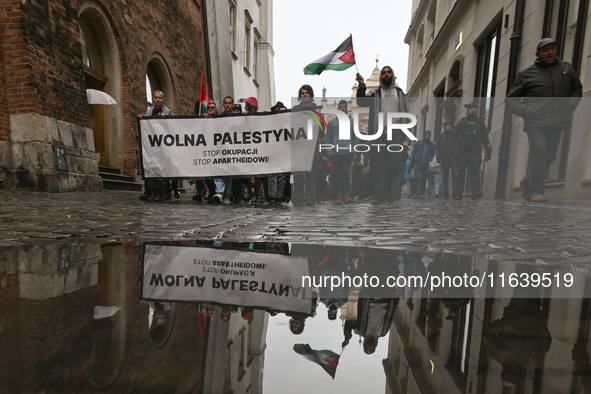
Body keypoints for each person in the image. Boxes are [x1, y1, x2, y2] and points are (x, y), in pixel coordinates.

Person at [506, 38, 583, 202]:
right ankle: (537, 191)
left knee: (550, 157)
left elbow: (577, 89)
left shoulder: (567, 69)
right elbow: (511, 100)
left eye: (553, 48)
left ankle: (527, 182)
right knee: (539, 151)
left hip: (558, 121)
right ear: (537, 54)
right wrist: (525, 111)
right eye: (546, 50)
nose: (550, 52)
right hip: (535, 122)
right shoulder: (526, 74)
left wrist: (569, 106)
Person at [356, 66, 409, 204]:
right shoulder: (375, 93)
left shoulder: (400, 93)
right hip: (378, 131)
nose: (386, 74)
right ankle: (378, 193)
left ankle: (387, 188)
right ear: (381, 76)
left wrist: (408, 132)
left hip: (396, 131)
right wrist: (361, 85)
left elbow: (406, 112)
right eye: (384, 73)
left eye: (388, 72)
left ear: (392, 75)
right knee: (377, 164)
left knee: (395, 162)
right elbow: (361, 101)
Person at [451, 102, 492, 200]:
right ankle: (458, 193)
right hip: (463, 150)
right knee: (461, 172)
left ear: (476, 109)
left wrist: (489, 150)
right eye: (467, 108)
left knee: (474, 170)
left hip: (475, 150)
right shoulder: (462, 122)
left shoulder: (480, 123)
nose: (467, 110)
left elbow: (484, 137)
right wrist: (453, 149)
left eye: (470, 108)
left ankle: (475, 192)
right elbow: (453, 134)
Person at [138, 90, 173, 202]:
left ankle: (160, 193)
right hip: (151, 146)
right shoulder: (149, 111)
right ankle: (150, 192)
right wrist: (142, 119)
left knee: (160, 169)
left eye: (160, 98)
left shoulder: (167, 111)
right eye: (156, 97)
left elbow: (174, 126)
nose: (157, 99)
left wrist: (167, 119)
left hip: (162, 145)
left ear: (163, 99)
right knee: (150, 168)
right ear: (153, 99)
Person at [292, 84, 324, 206]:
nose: (305, 95)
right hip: (298, 144)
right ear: (300, 95)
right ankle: (298, 197)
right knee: (298, 172)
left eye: (307, 93)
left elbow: (320, 124)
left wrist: (321, 137)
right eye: (303, 93)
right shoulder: (295, 109)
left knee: (311, 172)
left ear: (310, 95)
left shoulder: (316, 109)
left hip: (312, 144)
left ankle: (310, 197)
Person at [326, 100, 358, 203]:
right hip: (335, 153)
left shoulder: (352, 122)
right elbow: (328, 139)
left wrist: (353, 151)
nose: (343, 109)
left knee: (346, 175)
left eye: (344, 107)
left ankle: (346, 194)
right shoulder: (331, 123)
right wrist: (330, 152)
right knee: (336, 176)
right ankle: (338, 196)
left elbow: (355, 138)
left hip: (348, 153)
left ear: (347, 108)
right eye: (341, 107)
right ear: (338, 109)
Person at [437, 120, 458, 199]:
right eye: (445, 126)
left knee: (454, 175)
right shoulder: (442, 136)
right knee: (445, 176)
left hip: (454, 157)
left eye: (447, 126)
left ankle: (454, 192)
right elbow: (438, 147)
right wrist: (439, 157)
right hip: (445, 158)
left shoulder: (455, 135)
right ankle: (446, 194)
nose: (446, 127)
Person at [411, 130, 436, 198]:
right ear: (424, 135)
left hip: (425, 163)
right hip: (418, 163)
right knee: (416, 178)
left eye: (429, 135)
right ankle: (414, 193)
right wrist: (416, 158)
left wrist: (429, 159)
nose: (428, 136)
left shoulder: (432, 144)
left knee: (424, 179)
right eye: (427, 134)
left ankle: (421, 193)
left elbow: (433, 153)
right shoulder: (419, 143)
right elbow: (413, 152)